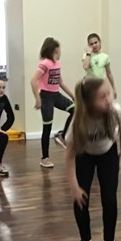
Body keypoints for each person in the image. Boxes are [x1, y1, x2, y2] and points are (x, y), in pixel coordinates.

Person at [65, 77, 121, 241]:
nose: (109, 99)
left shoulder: (114, 111)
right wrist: (74, 187)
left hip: (108, 154)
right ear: (89, 102)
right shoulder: (79, 120)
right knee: (80, 200)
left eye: (109, 93)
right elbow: (69, 156)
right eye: (102, 97)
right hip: (84, 155)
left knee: (109, 198)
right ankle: (85, 240)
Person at [30, 37, 76, 168]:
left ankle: (62, 135)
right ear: (54, 51)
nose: (60, 52)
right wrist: (37, 98)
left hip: (56, 95)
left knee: (74, 109)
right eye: (59, 50)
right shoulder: (45, 63)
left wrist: (72, 95)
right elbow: (33, 80)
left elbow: (60, 82)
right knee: (47, 127)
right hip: (46, 97)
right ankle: (44, 158)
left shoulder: (57, 64)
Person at [82, 33, 117, 97]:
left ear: (99, 42)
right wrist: (88, 53)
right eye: (91, 44)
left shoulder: (105, 56)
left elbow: (109, 73)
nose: (94, 45)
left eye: (96, 42)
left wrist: (113, 88)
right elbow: (85, 67)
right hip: (90, 85)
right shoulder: (86, 55)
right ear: (88, 45)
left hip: (101, 84)